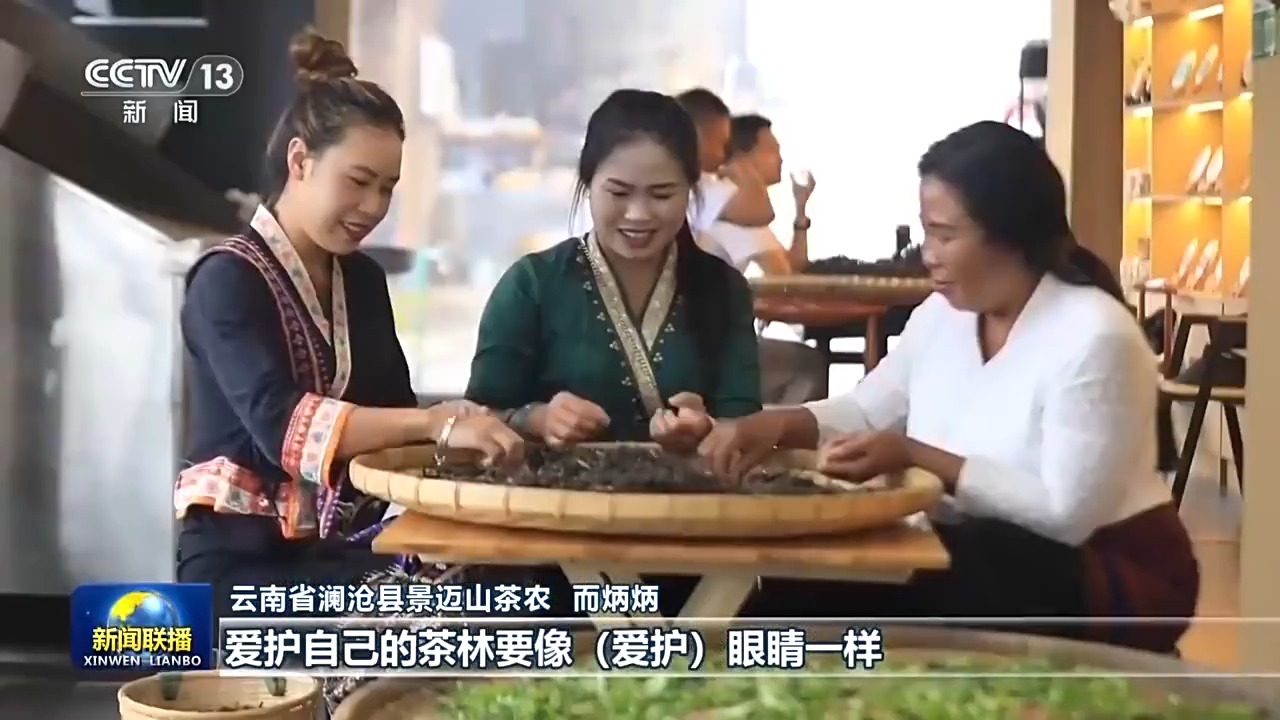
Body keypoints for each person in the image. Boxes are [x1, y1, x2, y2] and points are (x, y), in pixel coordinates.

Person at [695, 121, 1199, 654]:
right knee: (797, 581)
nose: (928, 253)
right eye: (926, 232)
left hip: (1102, 574)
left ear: (1009, 234)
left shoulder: (1095, 335)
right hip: (971, 550)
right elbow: (867, 410)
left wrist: (916, 455)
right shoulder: (942, 315)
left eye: (945, 235)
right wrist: (775, 424)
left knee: (864, 592)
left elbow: (1065, 514)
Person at [174, 29, 527, 635]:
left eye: (387, 188)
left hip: (338, 552)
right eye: (358, 181)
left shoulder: (361, 280)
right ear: (300, 161)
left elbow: (393, 410)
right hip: (242, 567)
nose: (373, 206)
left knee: (504, 587)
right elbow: (283, 426)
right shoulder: (226, 279)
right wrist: (434, 423)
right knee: (450, 619)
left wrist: (501, 427)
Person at [466, 89, 763, 449]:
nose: (638, 214)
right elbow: (477, 416)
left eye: (662, 195)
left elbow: (745, 423)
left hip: (687, 486)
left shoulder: (724, 288)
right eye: (619, 193)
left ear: (691, 189)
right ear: (588, 183)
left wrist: (709, 429)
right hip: (550, 485)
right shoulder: (531, 284)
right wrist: (538, 418)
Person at [710, 113, 814, 276]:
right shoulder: (736, 206)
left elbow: (794, 265)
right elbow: (785, 278)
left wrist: (800, 209)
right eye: (772, 151)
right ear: (741, 156)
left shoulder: (748, 207)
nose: (780, 159)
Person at [673, 88, 775, 245]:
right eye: (722, 143)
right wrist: (744, 169)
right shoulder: (702, 188)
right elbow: (761, 212)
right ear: (697, 136)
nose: (723, 155)